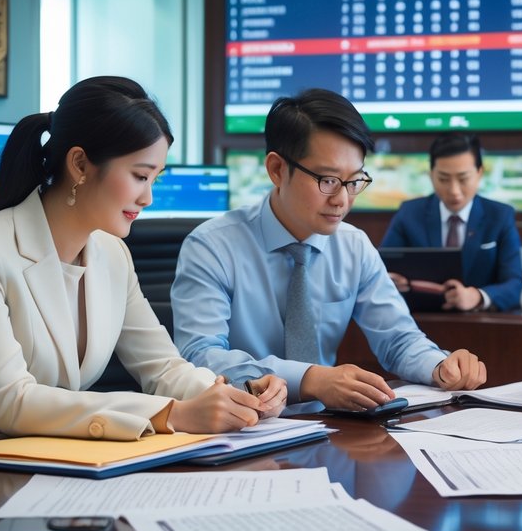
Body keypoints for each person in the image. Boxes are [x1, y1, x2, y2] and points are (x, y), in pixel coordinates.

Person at [0, 77, 284, 452]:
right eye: (139, 176)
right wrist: (171, 415)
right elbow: (12, 400)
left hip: (50, 462)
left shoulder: (112, 254)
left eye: (155, 178)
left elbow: (164, 368)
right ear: (80, 164)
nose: (148, 197)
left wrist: (238, 398)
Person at [171, 88, 487, 412]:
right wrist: (310, 379)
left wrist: (440, 365)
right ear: (278, 170)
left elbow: (398, 338)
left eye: (354, 181)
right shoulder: (211, 246)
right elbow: (199, 356)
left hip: (325, 431)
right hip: (239, 428)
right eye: (328, 180)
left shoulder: (354, 246)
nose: (342, 200)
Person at [381, 133, 522, 312]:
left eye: (463, 179)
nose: (454, 191)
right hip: (419, 321)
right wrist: (391, 280)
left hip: (483, 325)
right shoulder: (409, 214)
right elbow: (381, 271)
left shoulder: (501, 216)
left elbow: (515, 284)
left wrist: (478, 296)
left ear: (479, 173)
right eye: (443, 179)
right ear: (431, 175)